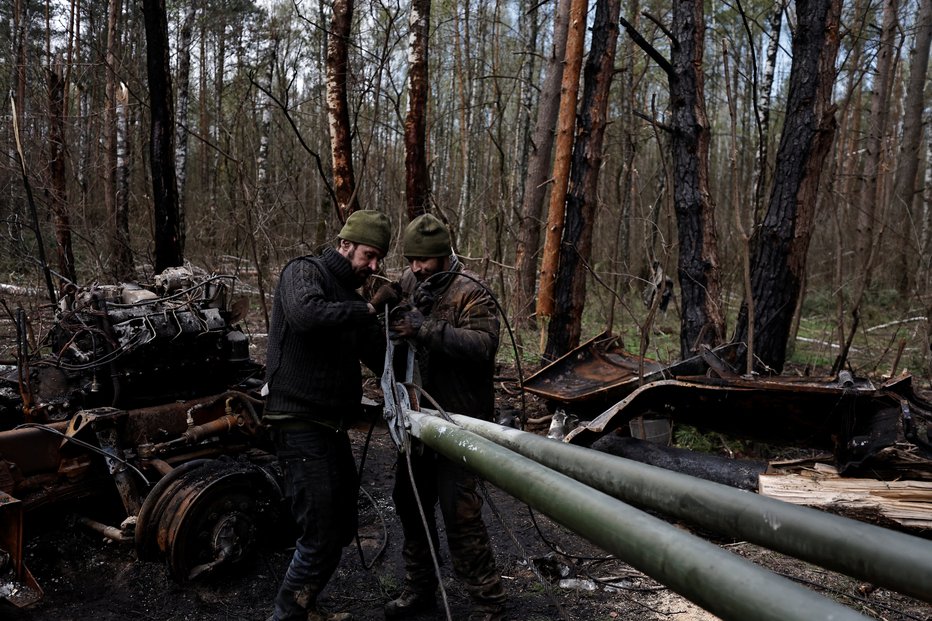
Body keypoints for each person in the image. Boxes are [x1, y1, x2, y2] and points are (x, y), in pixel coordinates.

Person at [263, 210, 397, 621]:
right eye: (369, 255)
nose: (373, 267)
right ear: (345, 245)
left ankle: (306, 607)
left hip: (331, 428)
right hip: (299, 424)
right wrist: (371, 310)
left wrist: (414, 326)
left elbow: (381, 355)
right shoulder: (305, 273)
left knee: (339, 527)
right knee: (319, 534)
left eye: (378, 260)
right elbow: (307, 316)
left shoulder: (354, 302)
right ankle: (285, 616)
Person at [386, 213, 507, 621]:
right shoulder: (407, 280)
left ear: (443, 255)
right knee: (409, 501)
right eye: (412, 259)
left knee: (461, 513)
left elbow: (483, 345)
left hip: (460, 420)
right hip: (416, 417)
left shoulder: (471, 291)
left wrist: (426, 329)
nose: (418, 268)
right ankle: (419, 588)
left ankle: (487, 603)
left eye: (426, 260)